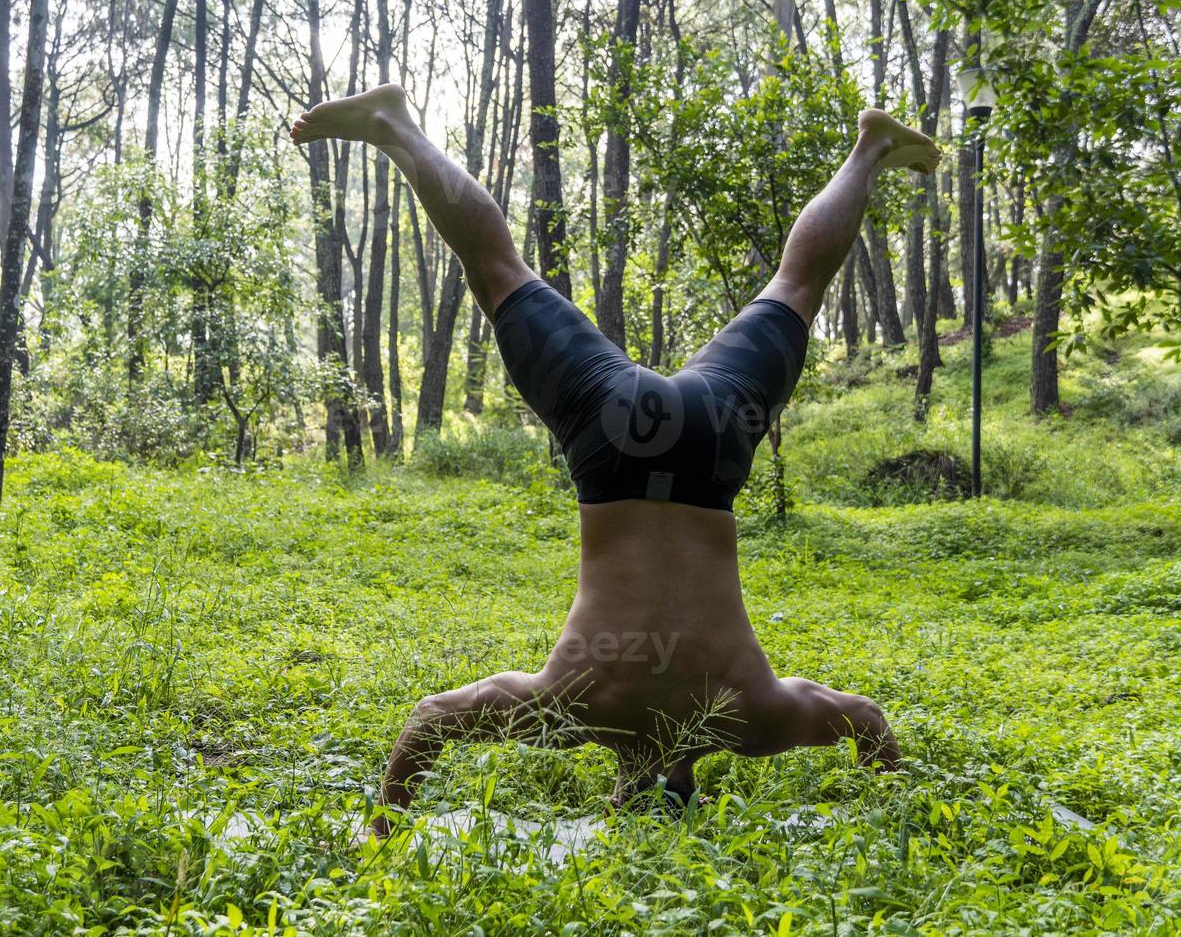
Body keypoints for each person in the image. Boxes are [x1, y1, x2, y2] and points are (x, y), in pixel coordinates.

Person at [290, 83, 938, 838]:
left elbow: (865, 722)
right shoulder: (572, 706)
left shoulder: (748, 718)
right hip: (611, 435)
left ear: (695, 789)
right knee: (496, 269)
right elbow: (431, 720)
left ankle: (872, 148)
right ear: (621, 796)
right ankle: (394, 125)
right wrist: (383, 829)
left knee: (795, 288)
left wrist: (899, 812)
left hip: (712, 440)